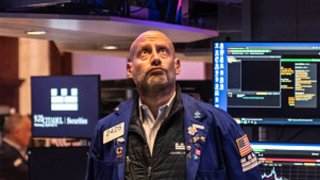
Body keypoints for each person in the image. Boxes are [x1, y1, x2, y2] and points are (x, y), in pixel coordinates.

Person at [85, 30, 261, 180]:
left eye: (163, 51)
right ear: (130, 70)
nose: (155, 58)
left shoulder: (219, 124)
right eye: (144, 52)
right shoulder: (106, 129)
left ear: (176, 66)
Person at [0, 114, 31, 180]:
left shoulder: (16, 150)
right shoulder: (6, 153)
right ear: (17, 132)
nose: (30, 135)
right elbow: (26, 173)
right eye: (28, 130)